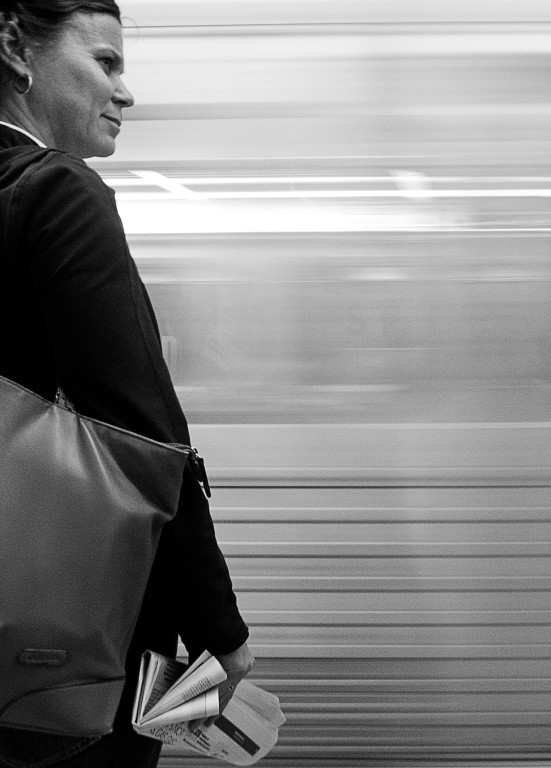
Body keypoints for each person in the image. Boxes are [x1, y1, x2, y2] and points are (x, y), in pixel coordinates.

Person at [0, 2, 254, 766]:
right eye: (105, 63)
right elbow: (141, 437)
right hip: (65, 648)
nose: (125, 91)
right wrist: (220, 634)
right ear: (15, 46)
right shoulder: (57, 194)